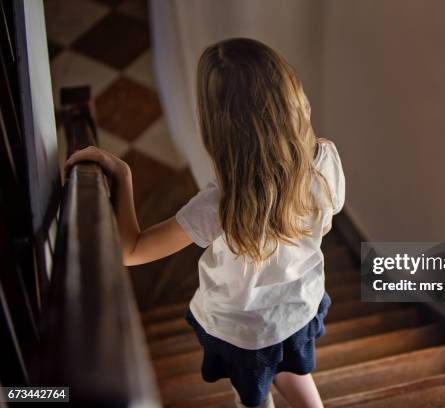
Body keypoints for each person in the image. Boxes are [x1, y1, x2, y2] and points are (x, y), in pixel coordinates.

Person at [65, 38, 345, 408]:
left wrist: (124, 176)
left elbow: (129, 251)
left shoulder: (218, 205)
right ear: (290, 98)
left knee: (253, 397)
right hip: (299, 307)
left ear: (217, 128)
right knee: (295, 370)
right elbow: (323, 226)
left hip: (241, 333)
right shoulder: (323, 160)